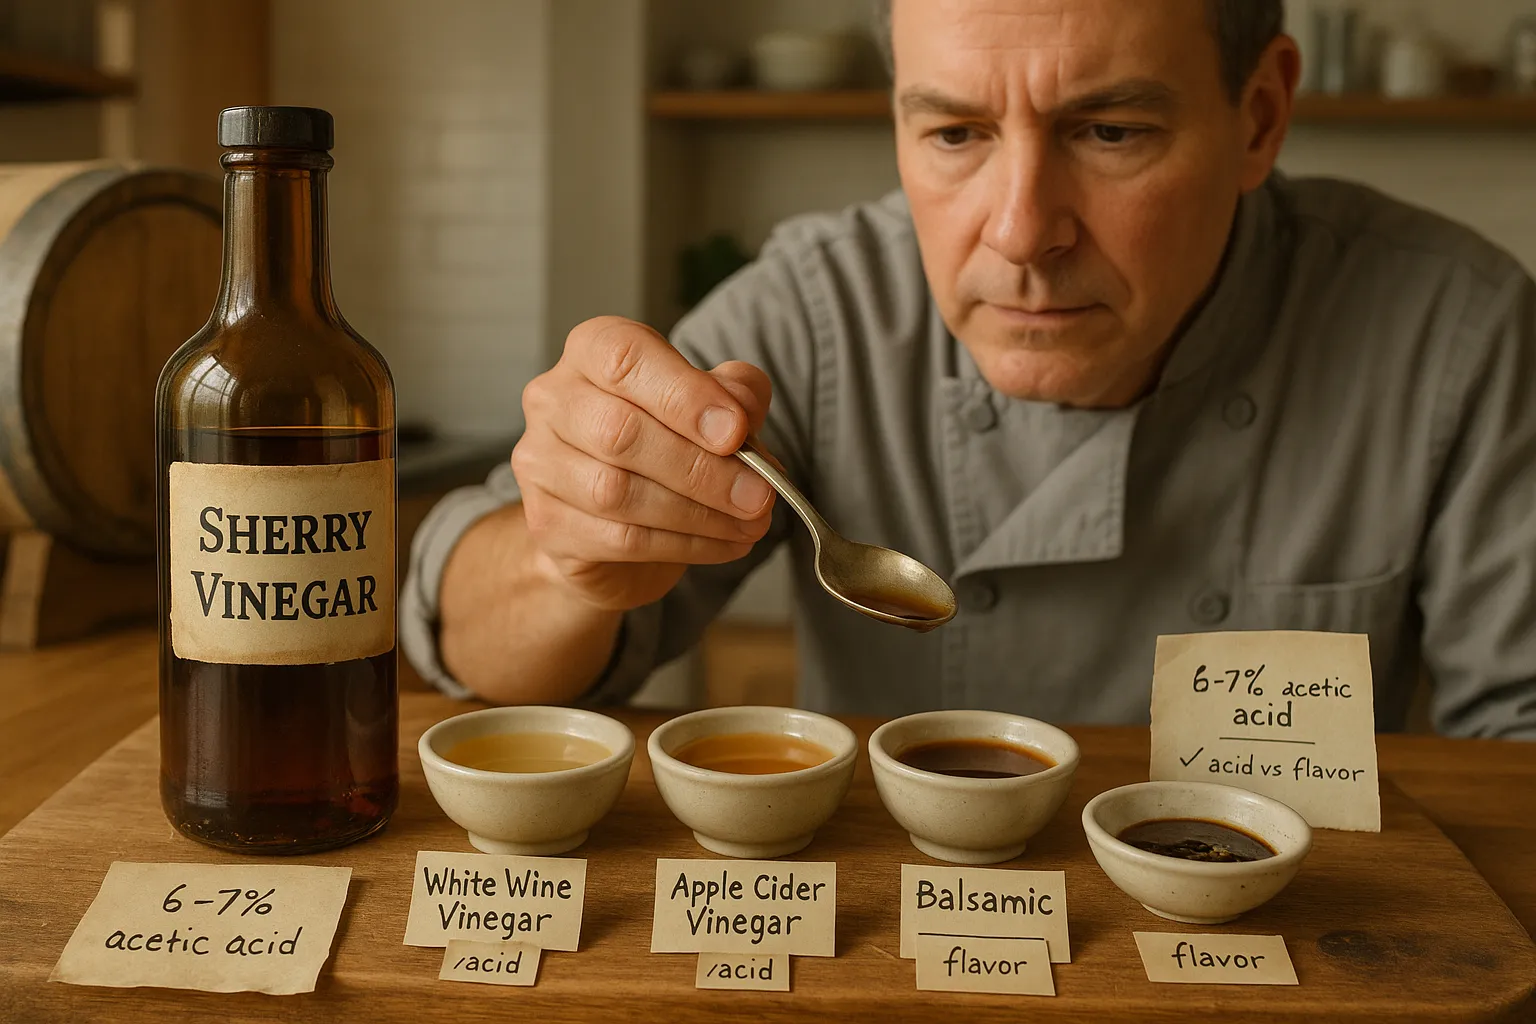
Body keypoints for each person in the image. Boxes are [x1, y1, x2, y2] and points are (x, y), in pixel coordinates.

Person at [401, 0, 1536, 738]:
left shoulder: (1454, 332)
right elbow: (464, 643)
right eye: (954, 136)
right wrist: (566, 562)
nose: (1022, 231)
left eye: (1111, 133)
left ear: (1259, 115)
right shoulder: (819, 308)